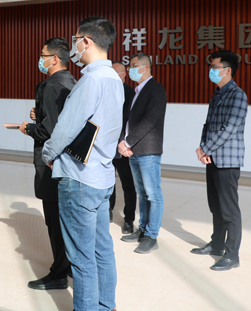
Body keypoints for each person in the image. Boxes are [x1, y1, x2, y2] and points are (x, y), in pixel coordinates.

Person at [42, 16, 124, 311]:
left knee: (81, 256)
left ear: (86, 41)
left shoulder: (91, 79)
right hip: (102, 177)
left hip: (79, 179)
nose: (74, 46)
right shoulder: (114, 78)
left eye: (76, 39)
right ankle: (106, 305)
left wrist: (48, 154)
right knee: (102, 249)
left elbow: (65, 128)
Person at [19, 38, 76, 290]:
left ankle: (59, 273)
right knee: (65, 218)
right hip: (68, 163)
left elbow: (50, 130)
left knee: (54, 220)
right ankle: (69, 264)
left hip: (51, 162)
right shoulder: (70, 82)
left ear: (54, 58)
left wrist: (29, 128)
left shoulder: (52, 85)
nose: (39, 59)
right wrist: (40, 114)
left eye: (43, 55)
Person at [192, 50, 247, 271]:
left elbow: (229, 128)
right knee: (215, 206)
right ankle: (216, 245)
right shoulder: (217, 93)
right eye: (211, 67)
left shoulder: (237, 95)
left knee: (229, 209)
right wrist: (203, 149)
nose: (211, 71)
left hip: (227, 161)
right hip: (213, 158)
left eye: (215, 67)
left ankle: (232, 255)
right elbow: (208, 125)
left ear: (227, 71)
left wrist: (205, 148)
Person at [118, 53, 167, 254]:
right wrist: (126, 143)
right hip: (135, 150)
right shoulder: (138, 91)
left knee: (153, 194)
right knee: (143, 193)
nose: (131, 69)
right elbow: (130, 121)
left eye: (134, 65)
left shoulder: (156, 89)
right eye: (130, 66)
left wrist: (127, 141)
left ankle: (151, 236)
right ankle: (143, 230)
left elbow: (149, 121)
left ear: (146, 67)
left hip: (148, 150)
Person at [109, 61, 136, 234]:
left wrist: (123, 142)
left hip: (123, 145)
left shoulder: (130, 93)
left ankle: (129, 219)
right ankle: (107, 210)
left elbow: (129, 120)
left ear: (124, 74)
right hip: (107, 145)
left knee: (128, 184)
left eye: (117, 73)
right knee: (108, 181)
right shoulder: (107, 91)